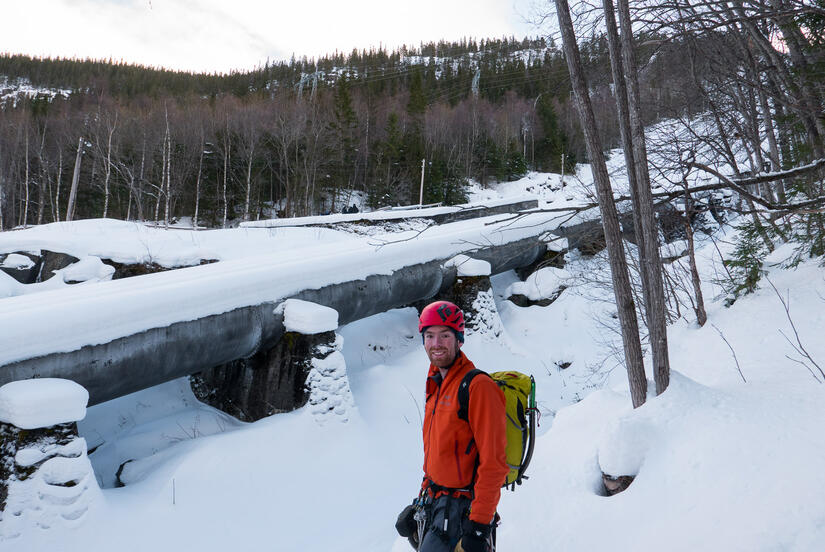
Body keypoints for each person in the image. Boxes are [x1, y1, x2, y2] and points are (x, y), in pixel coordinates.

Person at [397, 301, 509, 552]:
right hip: (435, 504)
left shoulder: (478, 386)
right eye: (429, 336)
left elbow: (494, 463)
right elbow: (440, 452)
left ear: (459, 340)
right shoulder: (435, 383)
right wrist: (420, 500)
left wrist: (479, 525)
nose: (436, 343)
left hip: (462, 510)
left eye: (445, 335)